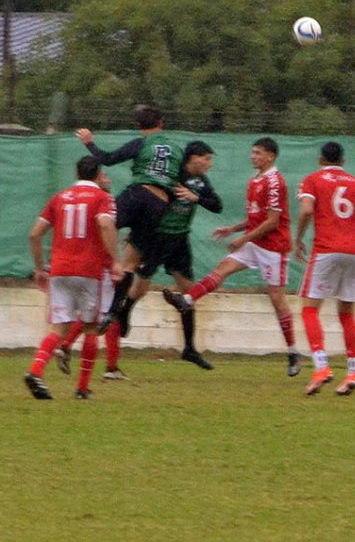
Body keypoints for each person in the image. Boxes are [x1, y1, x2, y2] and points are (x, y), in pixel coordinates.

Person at [161, 137, 299, 374]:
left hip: (273, 247)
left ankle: (293, 352)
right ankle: (187, 300)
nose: (253, 156)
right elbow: (256, 218)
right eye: (252, 152)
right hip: (254, 242)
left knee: (277, 299)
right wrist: (232, 229)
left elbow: (273, 221)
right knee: (222, 269)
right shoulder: (255, 180)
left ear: (270, 156)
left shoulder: (275, 182)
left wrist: (243, 238)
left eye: (258, 153)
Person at [115, 140, 222, 370]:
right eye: (207, 159)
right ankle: (124, 311)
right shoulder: (171, 174)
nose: (210, 164)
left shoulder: (200, 182)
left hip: (179, 240)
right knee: (141, 286)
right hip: (156, 237)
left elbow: (217, 205)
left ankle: (189, 349)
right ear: (194, 157)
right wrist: (137, 230)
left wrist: (197, 198)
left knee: (188, 293)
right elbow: (148, 201)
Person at [77, 105, 184, 333]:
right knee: (130, 264)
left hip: (138, 194)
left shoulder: (141, 143)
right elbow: (180, 179)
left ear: (139, 126)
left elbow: (108, 158)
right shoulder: (176, 149)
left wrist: (88, 142)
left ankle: (70, 261)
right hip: (159, 205)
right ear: (161, 123)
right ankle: (113, 311)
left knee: (99, 225)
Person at [24, 156, 122, 400]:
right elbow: (106, 225)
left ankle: (35, 371)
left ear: (76, 173)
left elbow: (35, 234)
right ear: (98, 174)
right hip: (89, 271)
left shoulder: (60, 198)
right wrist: (117, 260)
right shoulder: (103, 198)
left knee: (59, 329)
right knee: (90, 328)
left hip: (59, 270)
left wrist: (39, 269)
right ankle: (82, 388)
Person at [295, 141, 355, 396]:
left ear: (321, 159)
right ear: (343, 161)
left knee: (310, 310)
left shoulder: (312, 180)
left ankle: (321, 367)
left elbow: (306, 210)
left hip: (325, 251)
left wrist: (299, 238)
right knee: (346, 314)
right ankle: (353, 373)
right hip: (354, 253)